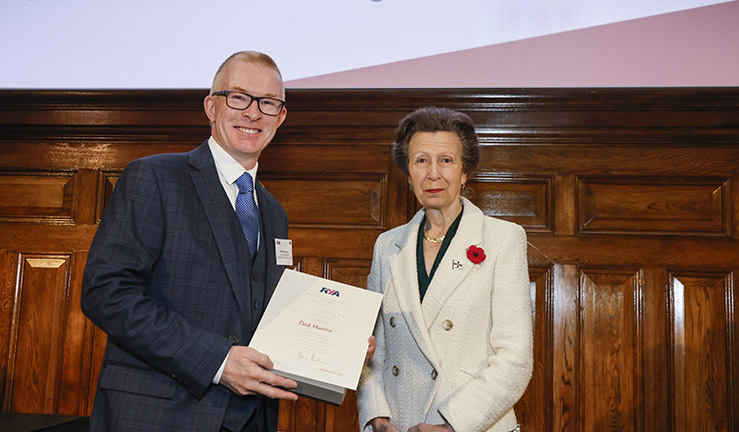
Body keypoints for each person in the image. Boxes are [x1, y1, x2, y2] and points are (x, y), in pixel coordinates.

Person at [81, 51, 374, 432]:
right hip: (157, 417)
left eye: (268, 103)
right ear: (211, 106)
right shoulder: (154, 177)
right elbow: (106, 292)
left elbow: (262, 314)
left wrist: (340, 345)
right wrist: (218, 361)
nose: (253, 113)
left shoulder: (273, 212)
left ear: (281, 117)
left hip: (253, 418)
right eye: (239, 97)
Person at [357, 107, 533, 432]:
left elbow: (515, 359)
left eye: (446, 160)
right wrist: (376, 417)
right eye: (421, 160)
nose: (433, 174)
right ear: (408, 174)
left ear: (465, 172)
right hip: (400, 425)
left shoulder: (503, 239)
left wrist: (453, 425)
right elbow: (373, 350)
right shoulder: (387, 246)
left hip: (470, 425)